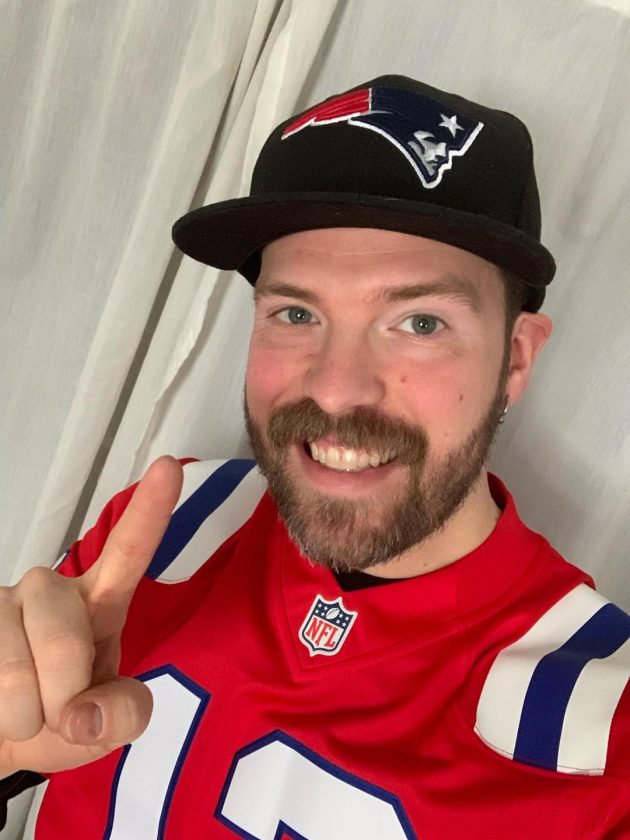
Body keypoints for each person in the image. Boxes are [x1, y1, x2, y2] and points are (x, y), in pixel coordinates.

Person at [0, 75, 628, 839]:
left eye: (420, 323)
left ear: (516, 359)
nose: (336, 390)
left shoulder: (607, 729)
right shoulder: (171, 524)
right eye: (296, 312)